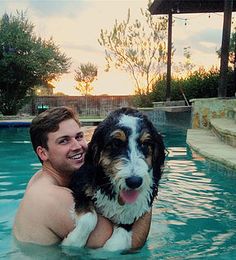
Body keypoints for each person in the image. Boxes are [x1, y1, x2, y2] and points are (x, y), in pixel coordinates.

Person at [13, 106, 151, 249]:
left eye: (79, 137)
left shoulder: (41, 178)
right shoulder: (54, 197)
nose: (77, 146)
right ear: (43, 153)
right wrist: (146, 191)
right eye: (64, 141)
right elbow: (126, 248)